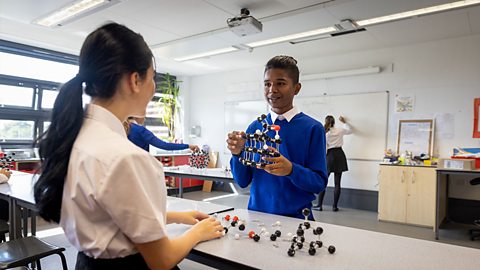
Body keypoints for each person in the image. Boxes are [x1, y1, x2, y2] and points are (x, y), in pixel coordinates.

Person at [33, 23, 223, 270]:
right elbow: (161, 259)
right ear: (135, 80)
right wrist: (198, 232)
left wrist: (174, 216)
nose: (153, 87)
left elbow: (105, 216)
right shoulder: (125, 157)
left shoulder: (72, 138)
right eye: (153, 77)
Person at [226, 55, 328, 220]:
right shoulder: (255, 127)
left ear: (296, 88)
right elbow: (242, 181)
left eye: (280, 83)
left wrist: (291, 170)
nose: (272, 90)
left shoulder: (313, 128)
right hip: (257, 217)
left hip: (296, 219)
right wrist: (237, 154)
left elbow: (318, 183)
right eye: (267, 84)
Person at [313, 115, 352, 212]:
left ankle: (319, 205)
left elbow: (323, 148)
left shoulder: (325, 133)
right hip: (340, 155)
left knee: (323, 181)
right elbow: (349, 130)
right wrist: (344, 122)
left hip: (330, 156)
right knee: (338, 183)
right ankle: (334, 207)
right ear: (334, 122)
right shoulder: (339, 130)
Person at [125, 116, 199, 152]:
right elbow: (164, 145)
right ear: (137, 115)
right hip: (139, 167)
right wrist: (188, 146)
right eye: (144, 115)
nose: (145, 119)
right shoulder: (140, 130)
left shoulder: (122, 127)